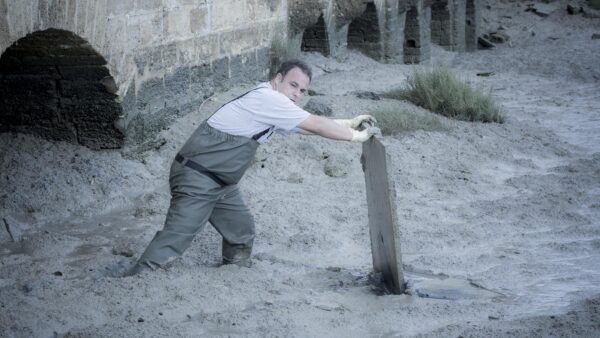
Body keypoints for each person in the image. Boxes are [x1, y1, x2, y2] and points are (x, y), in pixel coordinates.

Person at [128, 59, 377, 274]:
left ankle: (233, 272)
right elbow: (314, 124)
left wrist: (349, 123)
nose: (297, 94)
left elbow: (302, 127)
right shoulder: (268, 99)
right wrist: (355, 138)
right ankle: (137, 281)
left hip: (221, 182)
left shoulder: (273, 102)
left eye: (302, 90)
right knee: (176, 237)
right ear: (278, 78)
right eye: (293, 85)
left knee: (241, 231)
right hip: (197, 176)